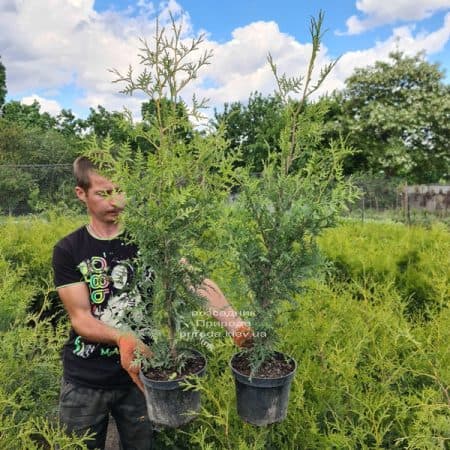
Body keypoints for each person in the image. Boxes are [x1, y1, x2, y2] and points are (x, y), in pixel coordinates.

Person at [52, 156, 252, 450]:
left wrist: (233, 322)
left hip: (145, 375)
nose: (115, 201)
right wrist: (121, 337)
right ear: (81, 193)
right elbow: (80, 317)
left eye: (120, 190)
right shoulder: (69, 249)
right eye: (103, 193)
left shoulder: (149, 240)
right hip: (84, 380)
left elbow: (192, 279)